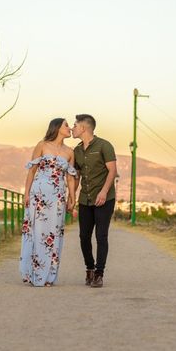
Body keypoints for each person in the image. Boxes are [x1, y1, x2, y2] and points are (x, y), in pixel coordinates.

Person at [19, 118, 77, 287]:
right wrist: (26, 194)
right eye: (66, 125)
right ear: (57, 127)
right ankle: (33, 274)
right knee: (36, 232)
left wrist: (72, 197)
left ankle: (48, 276)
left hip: (58, 196)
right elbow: (31, 171)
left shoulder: (70, 152)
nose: (70, 128)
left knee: (54, 234)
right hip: (39, 194)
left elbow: (70, 178)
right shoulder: (42, 145)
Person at [72, 114, 117, 288]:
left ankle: (99, 273)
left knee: (101, 236)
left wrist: (104, 192)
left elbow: (112, 171)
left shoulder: (104, 146)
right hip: (85, 199)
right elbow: (76, 177)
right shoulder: (76, 150)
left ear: (83, 128)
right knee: (84, 237)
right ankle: (89, 268)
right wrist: (72, 198)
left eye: (75, 125)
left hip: (105, 199)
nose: (73, 128)